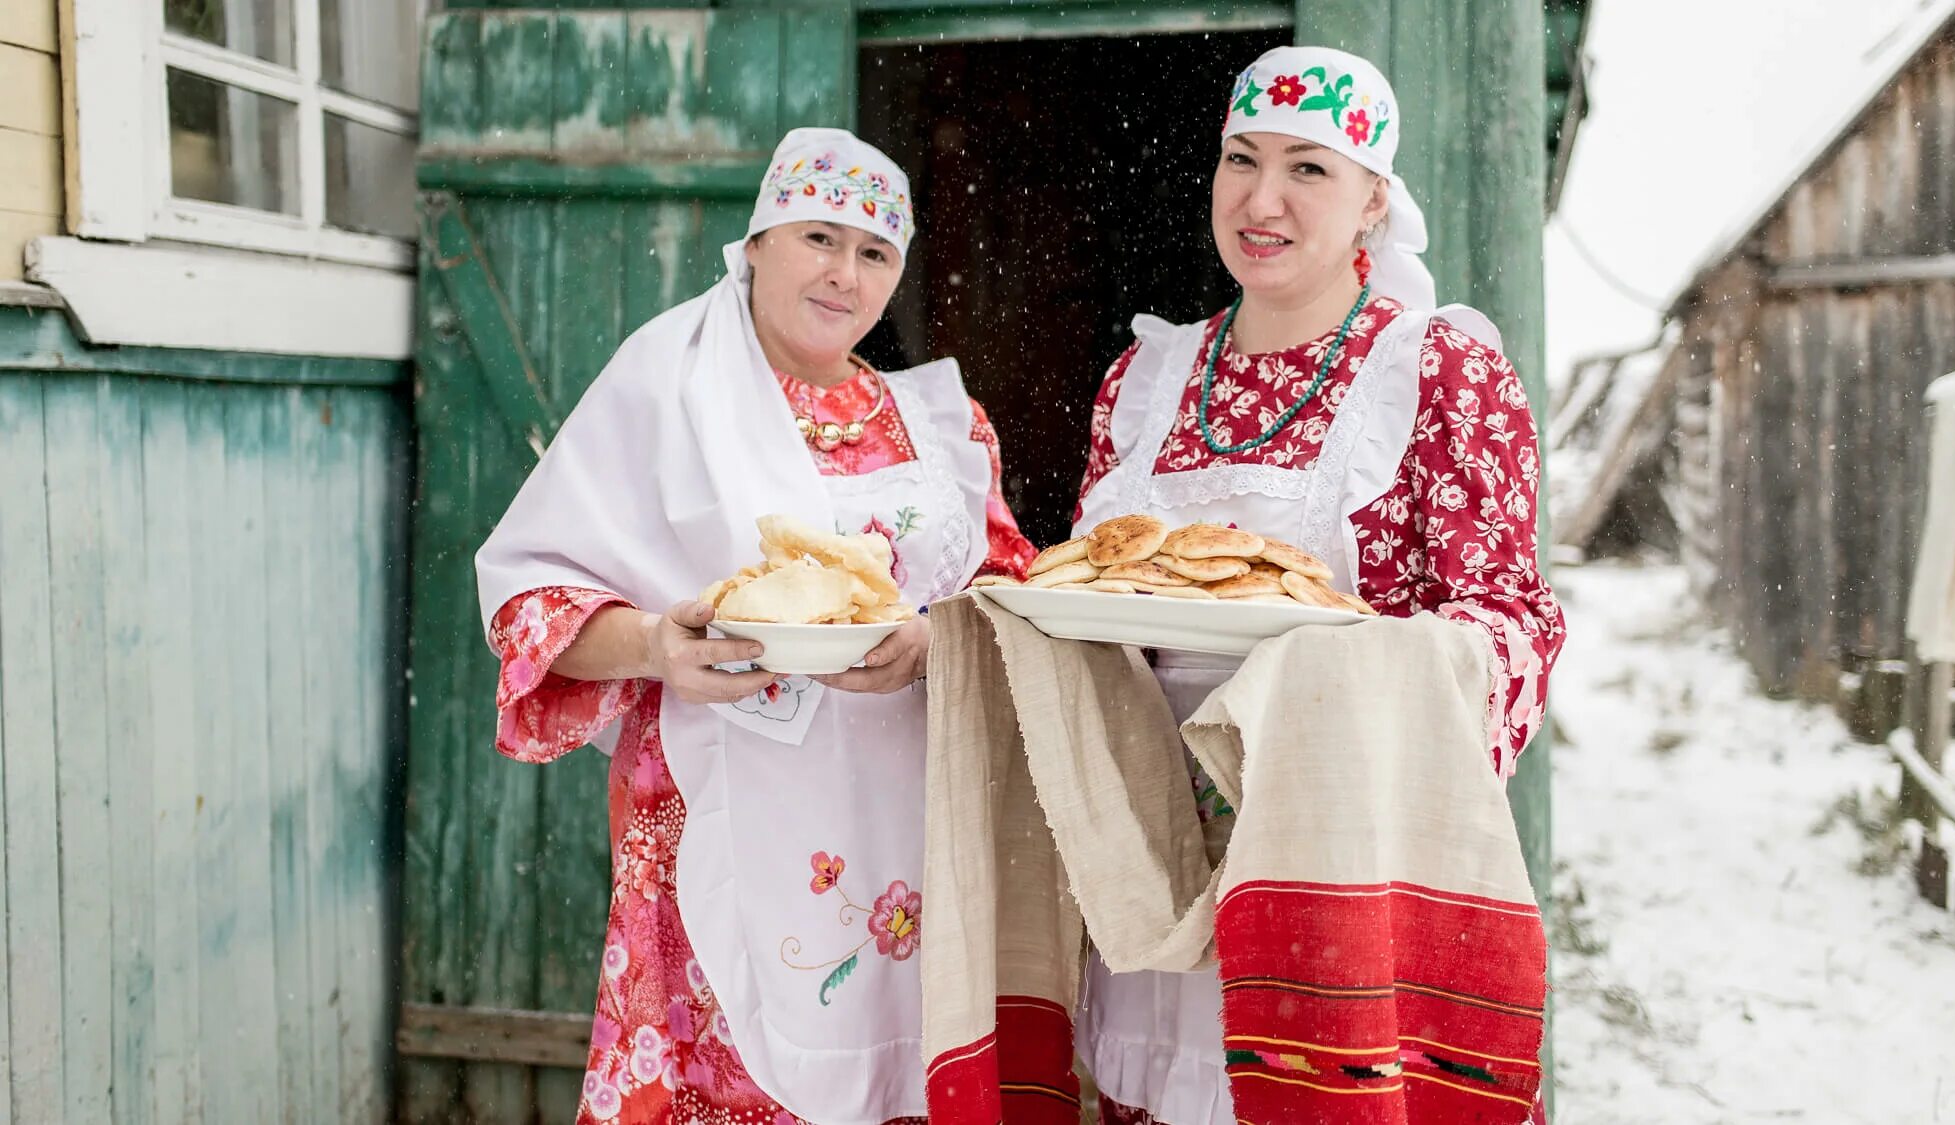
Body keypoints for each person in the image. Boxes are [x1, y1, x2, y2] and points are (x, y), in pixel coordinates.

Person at [474, 127, 1037, 1125]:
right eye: (820, 236)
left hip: (898, 820)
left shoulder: (939, 424)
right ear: (760, 238)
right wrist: (657, 645)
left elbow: (1007, 586)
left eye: (874, 252)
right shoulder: (668, 385)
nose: (843, 273)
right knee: (724, 1075)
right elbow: (529, 595)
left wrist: (935, 639)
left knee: (886, 1061)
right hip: (712, 799)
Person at [1070, 47, 1566, 1125]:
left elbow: (1509, 618)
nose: (1260, 199)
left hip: (1335, 862)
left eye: (1308, 169)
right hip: (1147, 864)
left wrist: (1343, 682)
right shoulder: (1144, 379)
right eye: (1239, 161)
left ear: (1371, 202)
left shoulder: (1437, 368)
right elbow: (1082, 593)